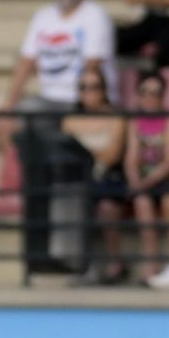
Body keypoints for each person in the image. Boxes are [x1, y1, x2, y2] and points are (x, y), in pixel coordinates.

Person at [0, 0, 114, 155]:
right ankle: (18, 177)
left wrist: (80, 102)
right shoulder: (43, 16)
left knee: (50, 125)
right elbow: (26, 61)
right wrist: (10, 103)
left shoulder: (94, 14)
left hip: (81, 99)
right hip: (48, 98)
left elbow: (93, 64)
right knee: (3, 121)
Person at [64, 65, 131, 285]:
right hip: (81, 180)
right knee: (73, 200)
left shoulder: (117, 117)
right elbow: (68, 141)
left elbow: (111, 155)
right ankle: (77, 264)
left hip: (110, 179)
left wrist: (83, 143)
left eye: (94, 87)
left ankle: (114, 263)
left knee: (106, 206)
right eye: (84, 87)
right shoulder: (70, 118)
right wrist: (95, 146)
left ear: (104, 90)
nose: (89, 93)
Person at [122, 71, 169, 288]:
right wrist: (135, 180)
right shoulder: (135, 122)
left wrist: (144, 184)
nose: (149, 97)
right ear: (138, 95)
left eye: (155, 93)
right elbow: (131, 158)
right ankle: (151, 267)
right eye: (145, 92)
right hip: (146, 181)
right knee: (142, 203)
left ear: (163, 96)